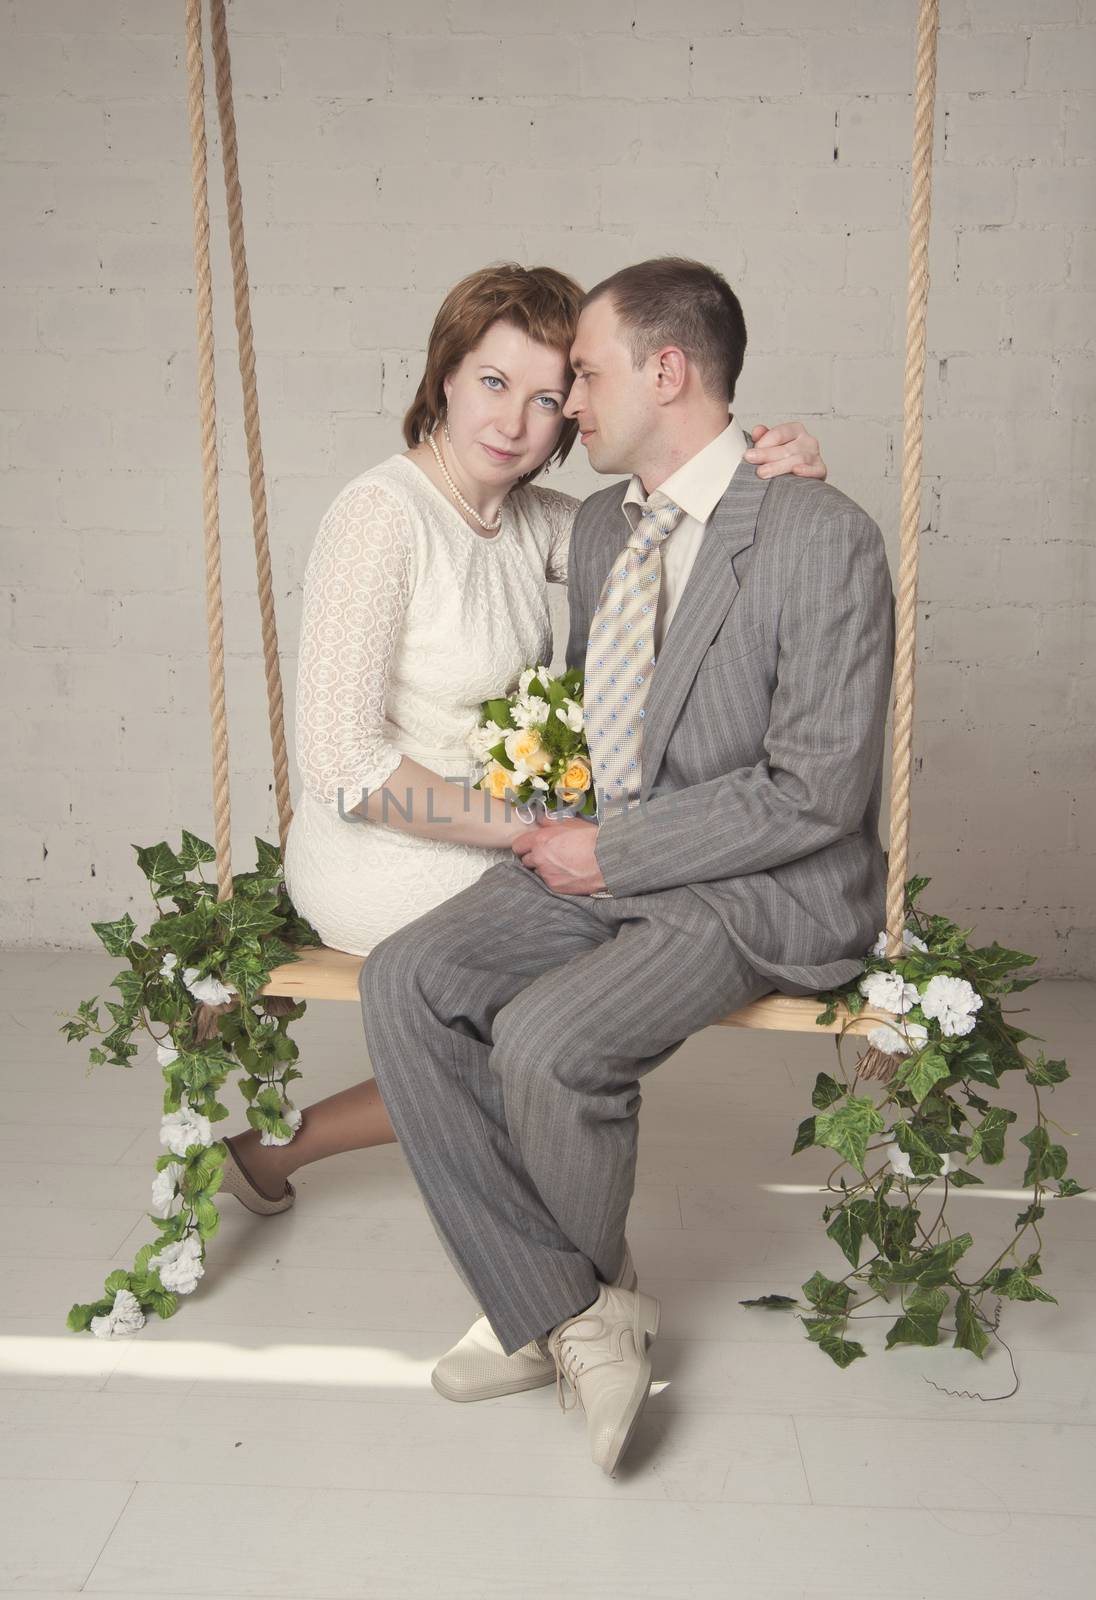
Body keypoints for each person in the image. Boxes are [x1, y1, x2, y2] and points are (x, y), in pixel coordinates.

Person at [356, 257, 896, 1478]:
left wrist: (618, 850)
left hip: (758, 884)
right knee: (405, 980)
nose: (565, 410)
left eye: (584, 377)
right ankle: (571, 1309)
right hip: (609, 859)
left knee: (548, 1041)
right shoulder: (600, 525)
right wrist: (586, 845)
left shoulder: (821, 534)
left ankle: (549, 1311)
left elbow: (817, 789)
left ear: (667, 369)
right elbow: (501, 555)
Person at [217, 262, 827, 1213]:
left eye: (550, 399)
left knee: (592, 989)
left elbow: (679, 541)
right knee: (595, 986)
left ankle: (277, 1155)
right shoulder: (381, 518)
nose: (515, 423)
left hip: (512, 830)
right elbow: (342, 763)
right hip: (385, 846)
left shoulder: (536, 520)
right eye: (494, 383)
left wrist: (769, 478)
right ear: (446, 375)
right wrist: (525, 833)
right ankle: (530, 1251)